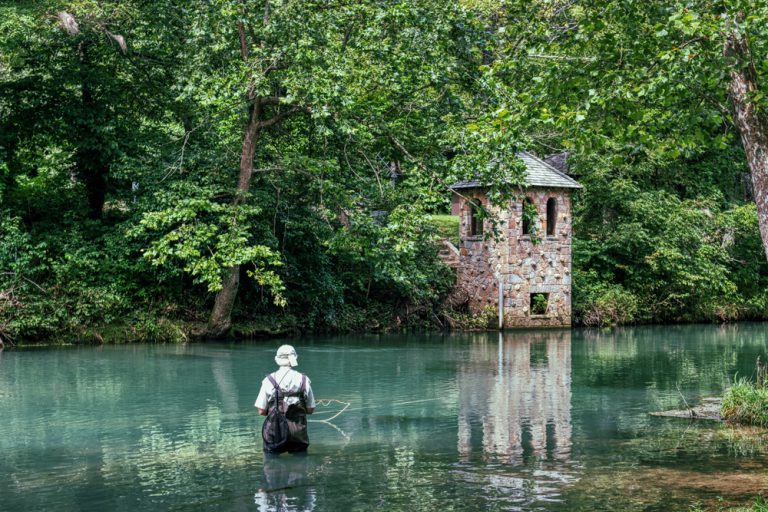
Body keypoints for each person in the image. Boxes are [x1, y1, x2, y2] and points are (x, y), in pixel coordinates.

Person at [255, 344, 316, 454]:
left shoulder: (268, 380)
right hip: (298, 433)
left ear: (278, 359)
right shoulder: (304, 380)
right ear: (294, 359)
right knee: (300, 466)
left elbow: (261, 411)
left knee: (271, 465)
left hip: (275, 432)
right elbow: (310, 409)